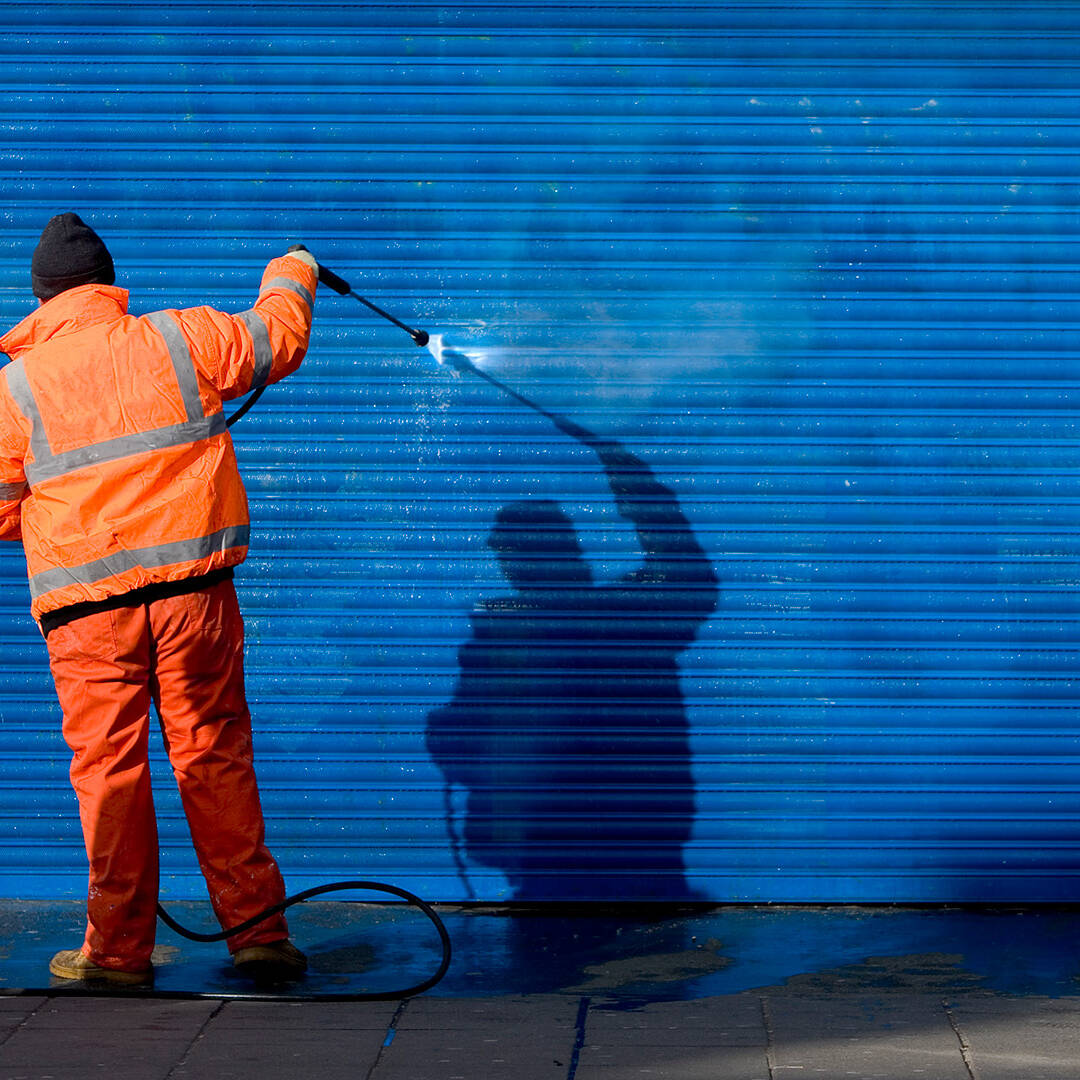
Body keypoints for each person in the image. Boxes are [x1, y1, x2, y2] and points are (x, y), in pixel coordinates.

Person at [0, 213, 318, 985]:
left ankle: (115, 955)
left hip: (86, 614)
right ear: (109, 286)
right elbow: (278, 339)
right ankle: (258, 936)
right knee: (212, 754)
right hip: (196, 600)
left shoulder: (14, 388)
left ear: (40, 299)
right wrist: (294, 267)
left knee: (110, 773)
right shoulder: (180, 338)